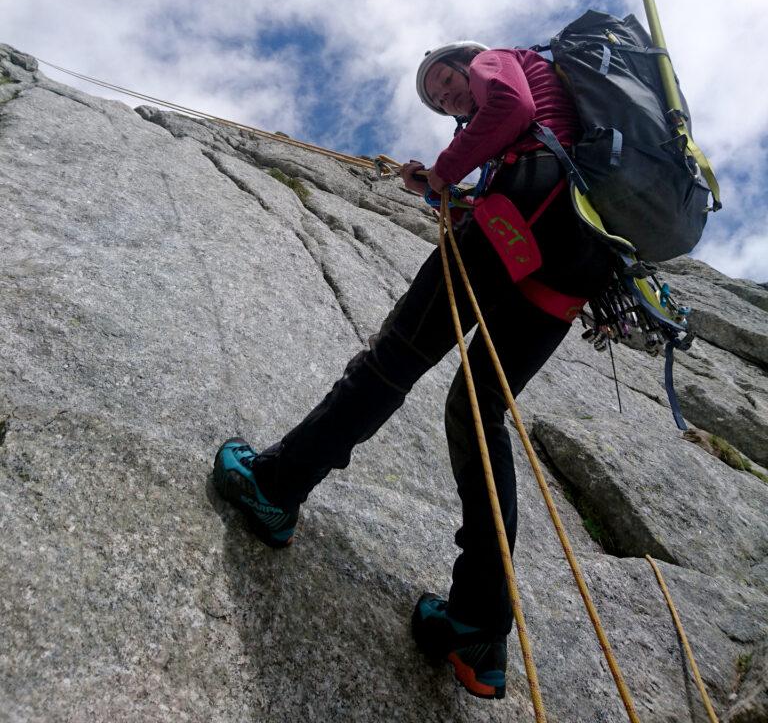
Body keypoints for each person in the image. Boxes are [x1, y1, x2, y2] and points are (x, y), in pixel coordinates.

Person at [212, 42, 613, 700]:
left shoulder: (503, 59)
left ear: (468, 57)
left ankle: (274, 486)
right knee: (477, 414)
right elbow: (513, 141)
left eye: (446, 78)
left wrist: (443, 173)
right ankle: (478, 629)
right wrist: (447, 195)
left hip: (524, 214)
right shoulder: (569, 119)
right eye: (437, 97)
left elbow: (507, 105)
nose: (448, 93)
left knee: (393, 359)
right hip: (571, 264)